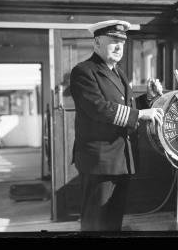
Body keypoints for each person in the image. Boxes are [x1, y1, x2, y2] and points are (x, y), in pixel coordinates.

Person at [70, 20, 164, 231]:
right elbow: (99, 108)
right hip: (99, 161)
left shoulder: (118, 72)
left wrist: (147, 99)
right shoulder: (83, 71)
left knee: (113, 221)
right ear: (97, 43)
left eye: (122, 42)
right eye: (113, 41)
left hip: (120, 159)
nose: (119, 47)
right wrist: (140, 114)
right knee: (96, 222)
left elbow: (125, 105)